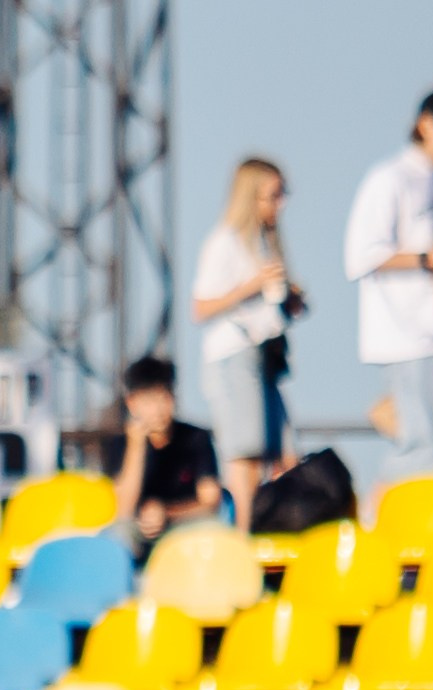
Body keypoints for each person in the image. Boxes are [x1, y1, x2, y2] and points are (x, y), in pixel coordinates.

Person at [344, 87, 433, 484]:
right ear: (428, 124)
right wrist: (431, 257)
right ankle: (397, 536)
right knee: (424, 452)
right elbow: (361, 257)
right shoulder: (389, 178)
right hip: (406, 337)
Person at [193, 158, 302, 524]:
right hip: (233, 354)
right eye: (273, 195)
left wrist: (289, 301)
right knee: (246, 454)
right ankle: (244, 533)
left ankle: (271, 526)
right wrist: (251, 286)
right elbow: (201, 306)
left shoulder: (264, 243)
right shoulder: (224, 242)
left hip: (264, 356)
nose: (280, 203)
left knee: (282, 454)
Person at [103, 357, 222, 546]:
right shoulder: (120, 444)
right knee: (119, 535)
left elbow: (210, 501)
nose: (158, 410)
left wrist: (166, 513)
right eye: (149, 401)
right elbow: (124, 510)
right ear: (132, 403)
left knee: (214, 528)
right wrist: (136, 446)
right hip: (138, 529)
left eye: (164, 398)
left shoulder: (196, 437)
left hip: (182, 525)